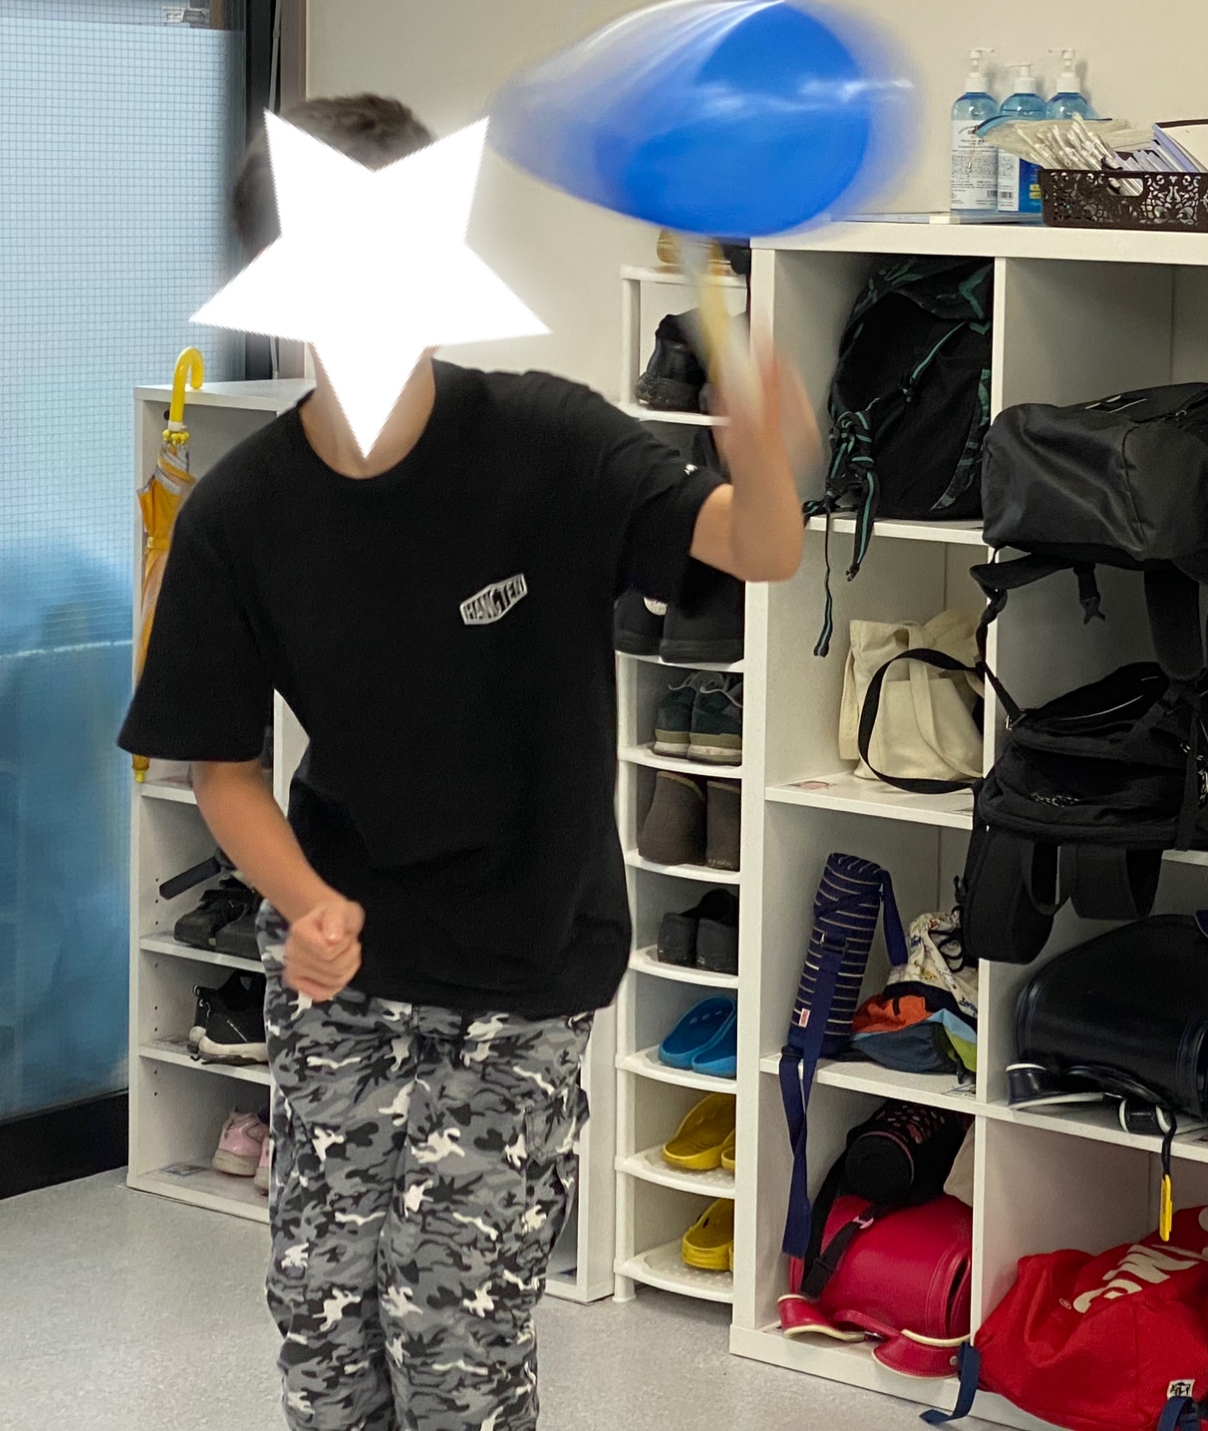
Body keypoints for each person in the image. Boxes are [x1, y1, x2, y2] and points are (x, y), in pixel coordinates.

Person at [119, 94, 810, 1431]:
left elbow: (759, 548)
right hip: (343, 967)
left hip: (520, 967)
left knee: (455, 1345)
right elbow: (220, 770)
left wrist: (763, 454)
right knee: (324, 1328)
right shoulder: (241, 514)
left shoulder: (548, 443)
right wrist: (303, 904)